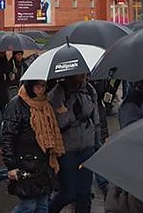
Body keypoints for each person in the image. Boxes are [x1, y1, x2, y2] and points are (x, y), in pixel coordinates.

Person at [1, 80, 65, 213]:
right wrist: (11, 165)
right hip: (25, 163)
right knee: (28, 206)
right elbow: (8, 137)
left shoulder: (46, 104)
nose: (41, 89)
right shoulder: (17, 104)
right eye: (37, 86)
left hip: (43, 163)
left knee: (42, 205)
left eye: (43, 86)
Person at [48, 74, 99, 213]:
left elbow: (96, 118)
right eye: (80, 73)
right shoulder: (58, 92)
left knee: (85, 192)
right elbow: (57, 122)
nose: (83, 76)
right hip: (67, 148)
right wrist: (68, 115)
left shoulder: (89, 90)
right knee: (68, 192)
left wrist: (97, 143)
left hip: (87, 145)